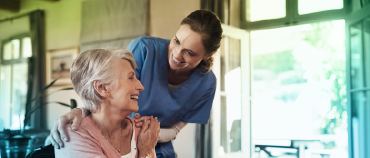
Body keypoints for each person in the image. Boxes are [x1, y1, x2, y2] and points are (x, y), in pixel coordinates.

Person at [51, 9, 223, 158]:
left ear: (209, 54)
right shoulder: (145, 49)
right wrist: (80, 111)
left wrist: (147, 141)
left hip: (154, 145)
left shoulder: (206, 83)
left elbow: (176, 129)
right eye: (176, 41)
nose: (177, 55)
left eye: (190, 52)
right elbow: (108, 90)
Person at [54, 48, 159, 158]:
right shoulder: (74, 135)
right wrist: (145, 152)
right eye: (131, 77)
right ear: (102, 88)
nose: (141, 87)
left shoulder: (143, 131)